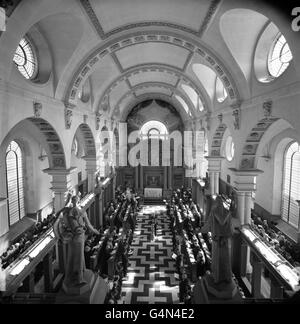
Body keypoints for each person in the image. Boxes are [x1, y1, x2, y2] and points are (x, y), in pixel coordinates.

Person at [54, 194, 99, 290]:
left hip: (73, 238)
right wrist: (94, 230)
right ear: (77, 201)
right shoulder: (78, 210)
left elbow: (58, 214)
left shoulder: (68, 210)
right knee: (78, 256)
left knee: (73, 256)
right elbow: (87, 224)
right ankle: (79, 279)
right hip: (78, 237)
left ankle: (75, 274)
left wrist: (68, 201)